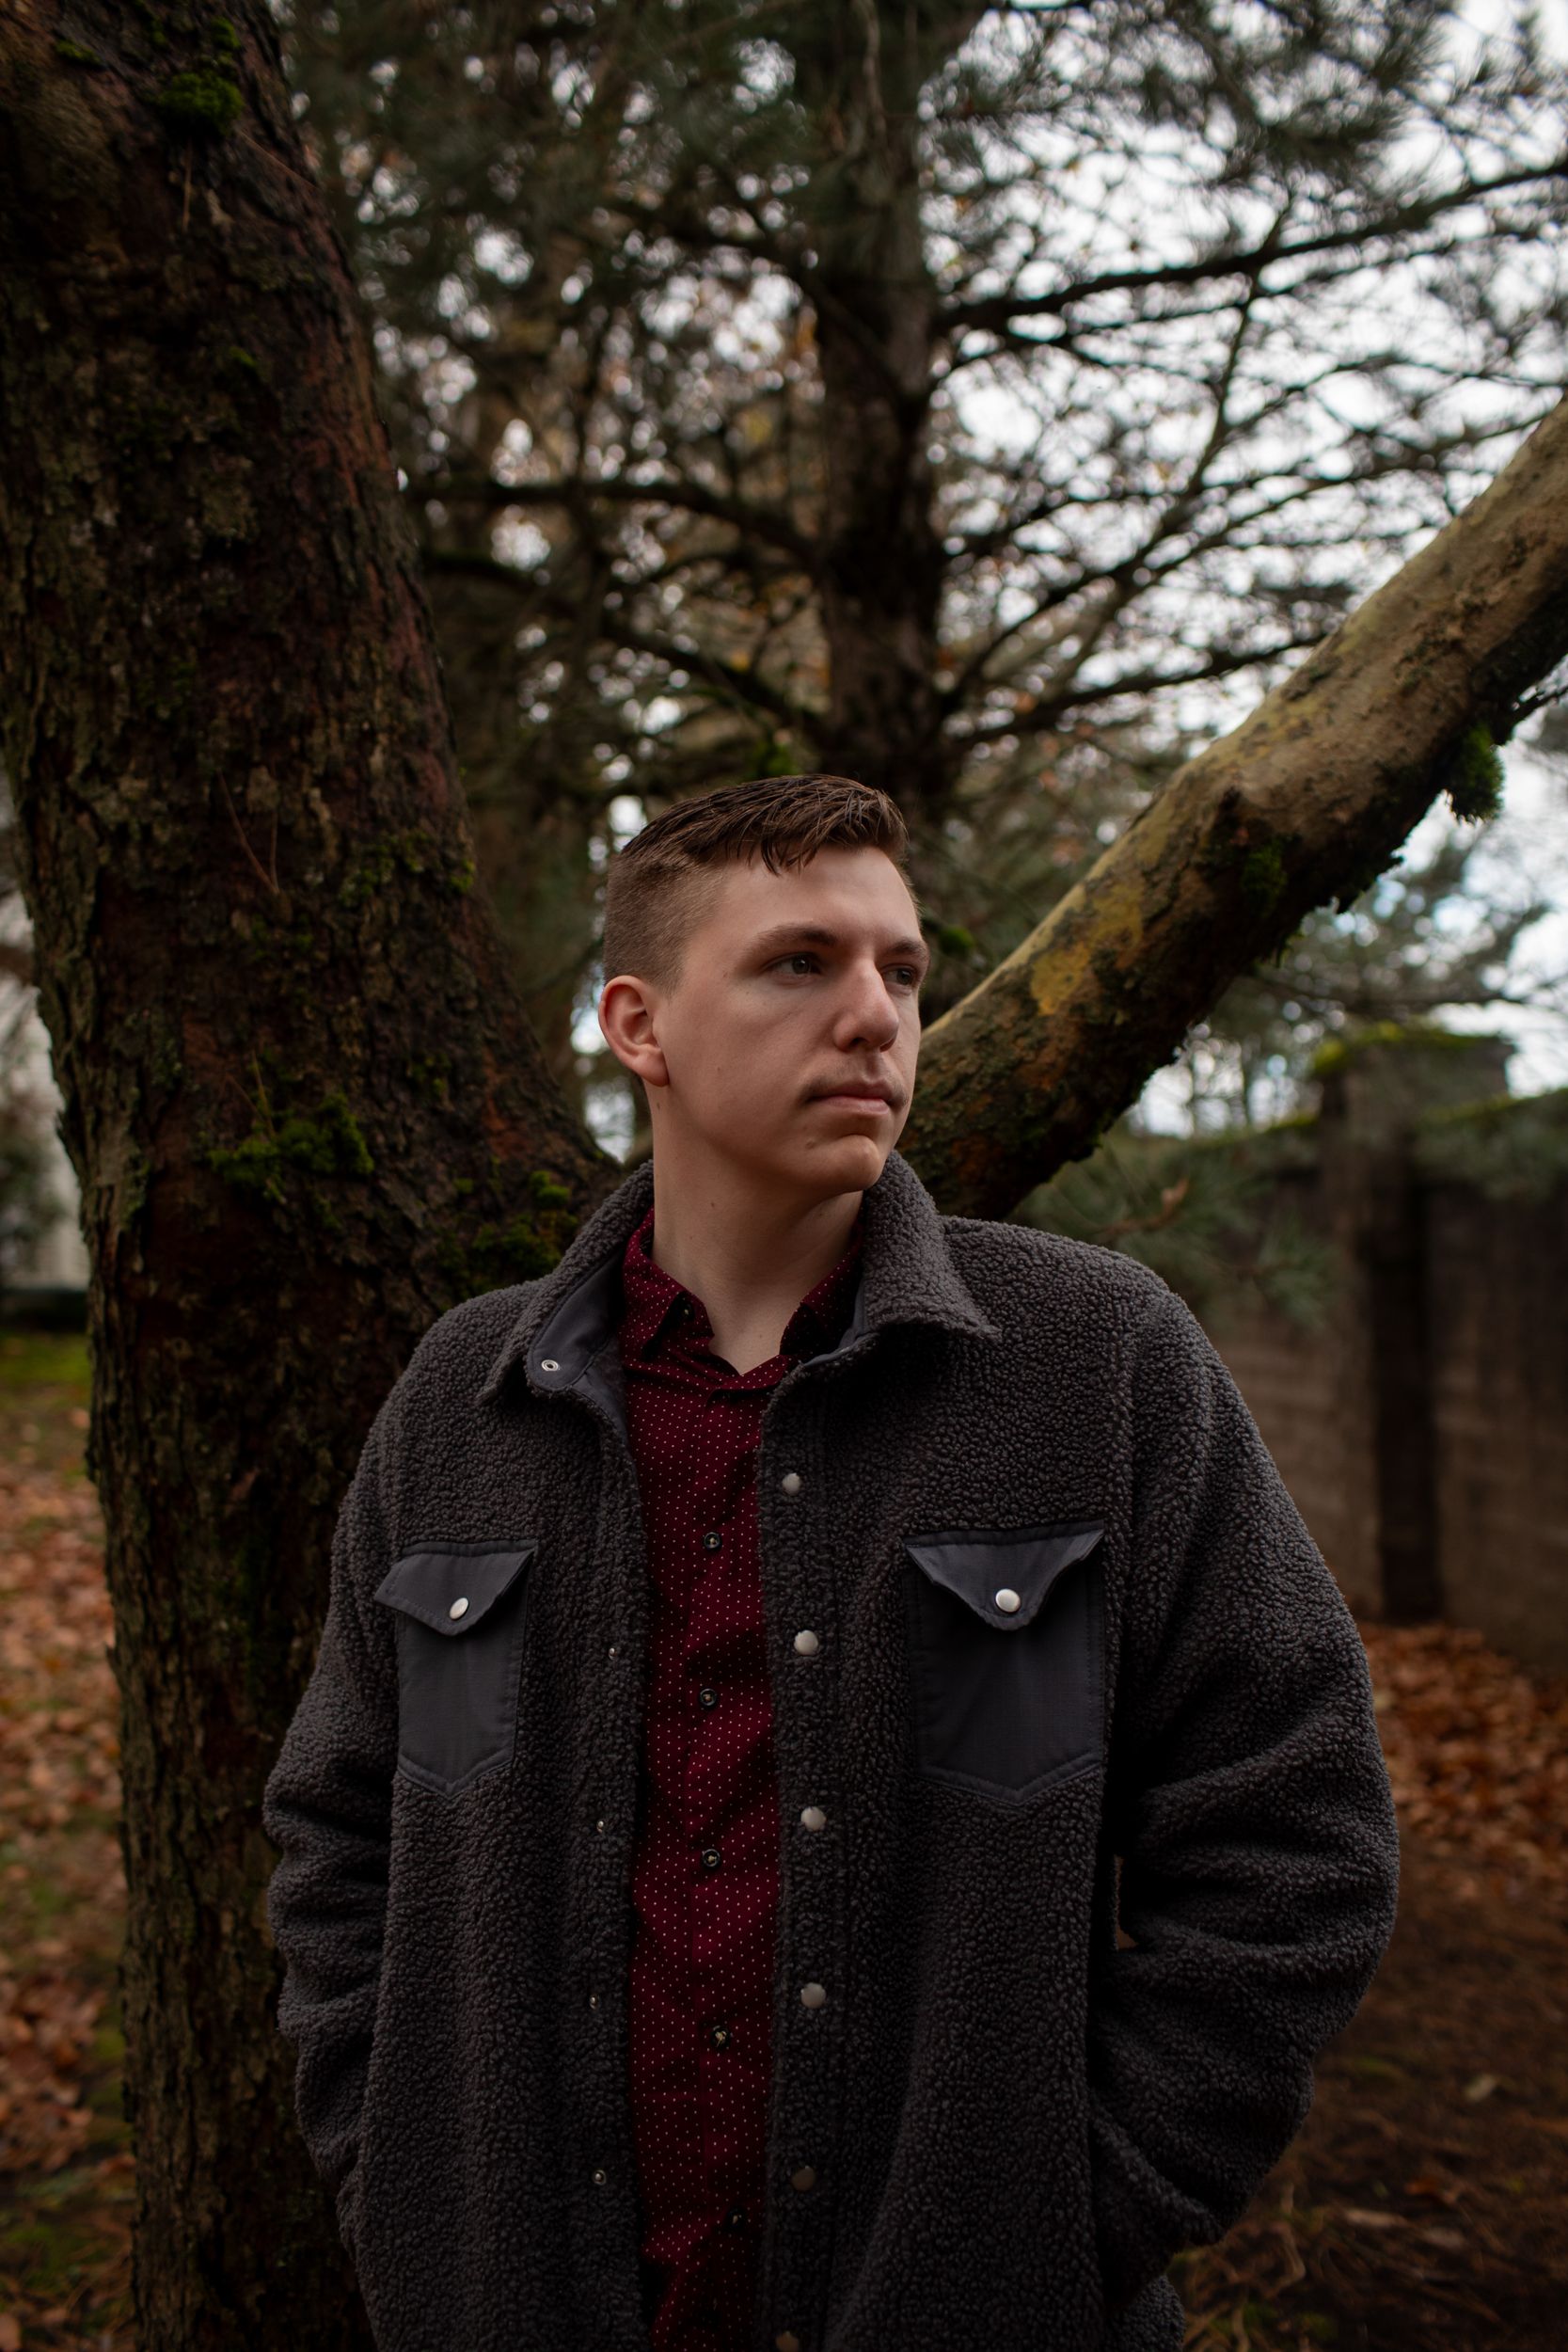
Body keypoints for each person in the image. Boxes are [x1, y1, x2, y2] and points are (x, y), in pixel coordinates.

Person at [261, 771, 1399, 2352]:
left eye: (903, 971)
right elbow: (343, 1833)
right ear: (639, 1027)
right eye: (801, 963)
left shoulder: (1095, 1365)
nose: (874, 1016)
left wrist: (1071, 2219)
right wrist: (401, 2178)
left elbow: (1296, 1828)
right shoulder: (465, 1401)